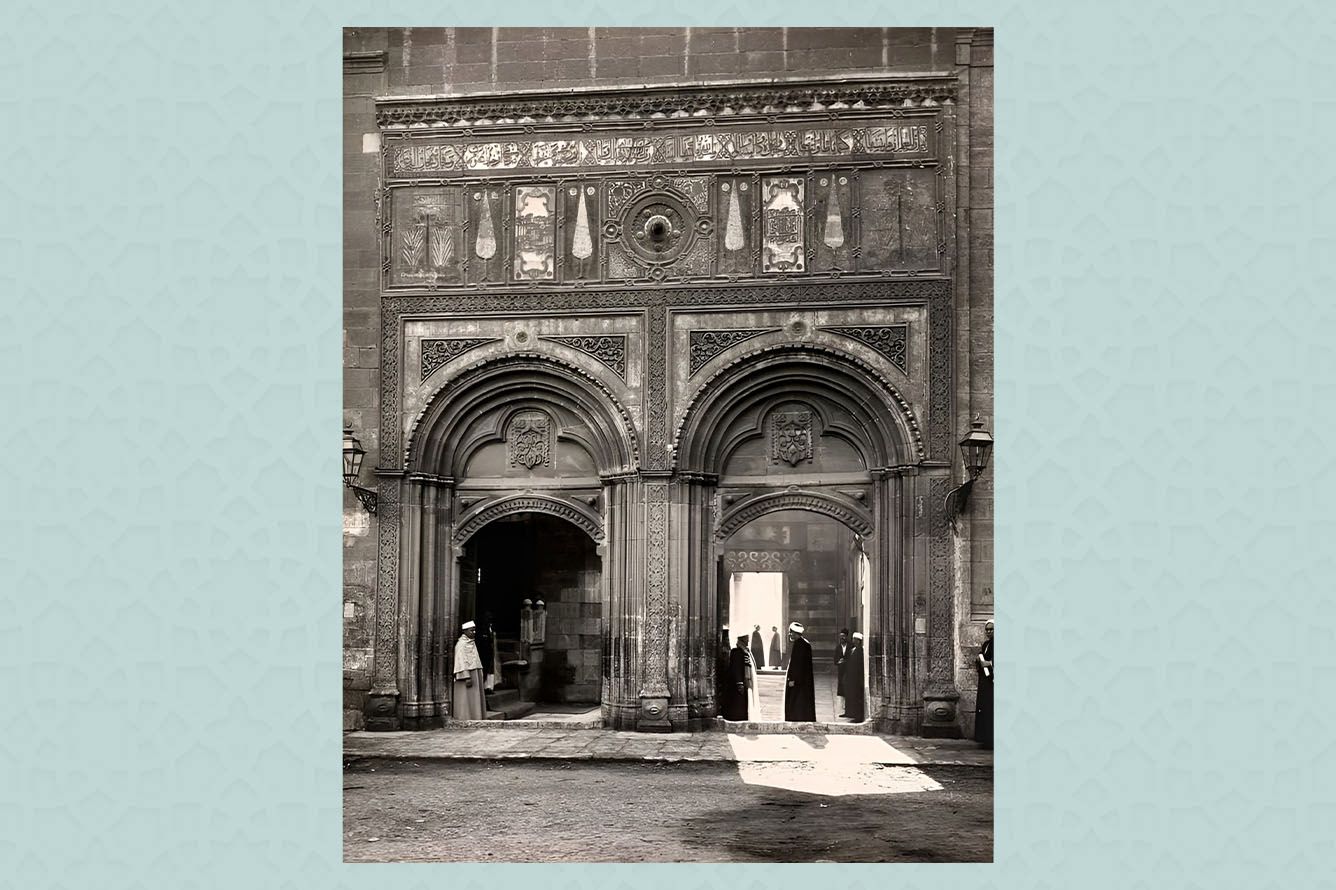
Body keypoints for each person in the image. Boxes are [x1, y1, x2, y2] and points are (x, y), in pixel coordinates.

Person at [451, 620, 487, 721]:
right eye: (471, 631)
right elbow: (460, 660)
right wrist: (466, 676)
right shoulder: (461, 645)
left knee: (475, 697)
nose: (474, 633)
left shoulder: (472, 643)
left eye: (474, 630)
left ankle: (476, 716)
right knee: (466, 698)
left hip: (475, 672)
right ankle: (464, 717)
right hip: (467, 674)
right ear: (465, 631)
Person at [783, 622, 816, 722]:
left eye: (791, 632)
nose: (789, 634)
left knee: (796, 704)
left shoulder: (799, 645)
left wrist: (793, 680)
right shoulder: (804, 644)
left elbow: (798, 666)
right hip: (803, 682)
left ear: (796, 633)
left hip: (798, 682)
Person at [724, 634, 761, 720]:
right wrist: (739, 682)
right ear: (742, 639)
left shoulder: (745, 651)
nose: (748, 641)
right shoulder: (736, 652)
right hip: (740, 683)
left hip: (745, 681)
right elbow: (736, 668)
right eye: (747, 639)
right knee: (738, 703)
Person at [974, 619, 994, 748]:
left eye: (991, 629)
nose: (989, 631)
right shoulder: (986, 644)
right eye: (987, 629)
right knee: (985, 708)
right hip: (985, 681)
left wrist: (990, 663)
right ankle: (986, 738)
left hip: (992, 682)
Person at [844, 632, 866, 722]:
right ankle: (851, 713)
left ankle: (858, 717)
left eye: (854, 639)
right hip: (851, 677)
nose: (853, 641)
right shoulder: (853, 650)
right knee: (851, 696)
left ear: (858, 641)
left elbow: (859, 666)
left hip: (856, 679)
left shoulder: (860, 650)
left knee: (857, 698)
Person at [475, 611, 498, 692]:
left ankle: (489, 687)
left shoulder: (490, 628)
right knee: (484, 669)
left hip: (489, 652)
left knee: (490, 669)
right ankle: (484, 686)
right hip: (483, 652)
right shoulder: (482, 629)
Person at [834, 628, 850, 717]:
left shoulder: (851, 646)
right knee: (842, 691)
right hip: (841, 672)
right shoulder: (838, 647)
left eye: (843, 636)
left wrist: (846, 661)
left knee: (848, 690)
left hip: (849, 672)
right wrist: (838, 662)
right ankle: (843, 710)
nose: (842, 638)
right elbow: (835, 660)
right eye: (841, 636)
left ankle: (848, 710)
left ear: (846, 637)